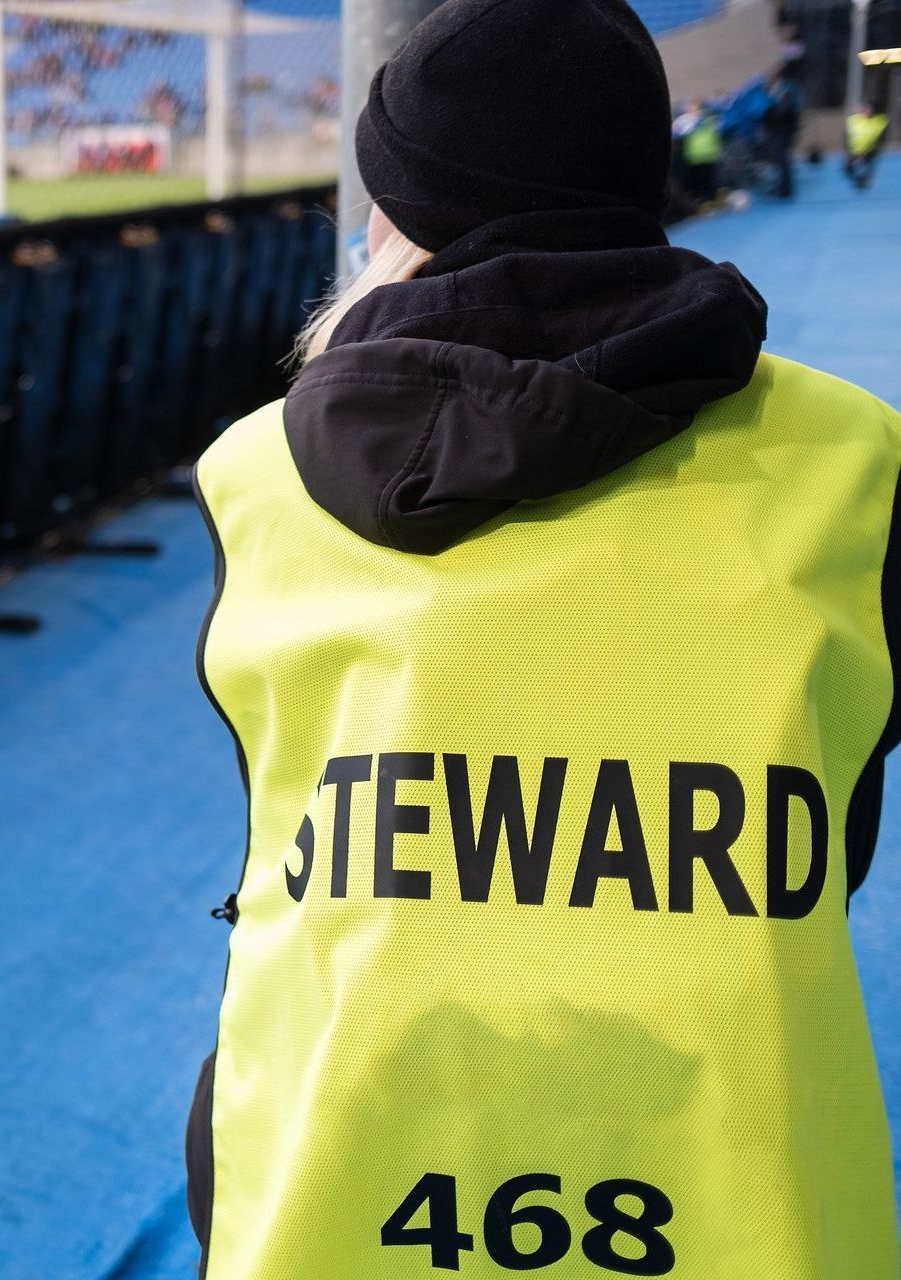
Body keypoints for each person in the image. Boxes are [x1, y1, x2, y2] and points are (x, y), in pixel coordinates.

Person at [184, 1, 901, 1278]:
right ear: (645, 188)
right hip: (744, 1196)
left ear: (386, 213)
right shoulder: (859, 460)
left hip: (334, 1183)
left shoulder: (255, 473)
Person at [762, 68, 803, 198]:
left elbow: (783, 113)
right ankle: (784, 187)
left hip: (781, 130)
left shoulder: (782, 92)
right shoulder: (782, 91)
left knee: (782, 160)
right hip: (782, 130)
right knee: (782, 160)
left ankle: (784, 189)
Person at [677, 96, 724, 204]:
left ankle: (711, 200)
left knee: (709, 179)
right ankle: (702, 201)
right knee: (698, 180)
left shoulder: (708, 119)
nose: (692, 110)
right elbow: (678, 132)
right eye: (690, 108)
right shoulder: (686, 121)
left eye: (694, 108)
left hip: (709, 155)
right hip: (694, 156)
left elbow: (719, 129)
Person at [846, 103, 890, 190]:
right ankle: (859, 180)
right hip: (856, 149)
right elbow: (848, 135)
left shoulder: (879, 121)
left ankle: (865, 181)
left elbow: (881, 137)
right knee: (848, 167)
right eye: (865, 109)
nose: (867, 112)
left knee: (868, 166)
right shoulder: (854, 120)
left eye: (869, 110)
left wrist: (872, 149)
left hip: (870, 150)